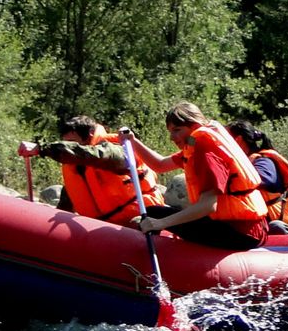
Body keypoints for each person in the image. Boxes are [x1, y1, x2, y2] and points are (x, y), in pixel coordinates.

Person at [122, 102, 270, 250]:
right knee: (154, 212)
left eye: (177, 130)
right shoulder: (195, 144)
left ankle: (150, 257)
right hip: (237, 226)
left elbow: (208, 206)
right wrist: (133, 141)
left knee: (155, 214)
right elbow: (160, 165)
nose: (171, 137)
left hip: (242, 233)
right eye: (170, 131)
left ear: (194, 126)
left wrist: (160, 223)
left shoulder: (205, 151)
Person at [18, 116, 164, 225]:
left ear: (89, 136)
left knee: (136, 223)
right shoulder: (76, 167)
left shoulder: (116, 150)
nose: (68, 147)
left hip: (144, 216)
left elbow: (94, 155)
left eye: (72, 143)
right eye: (65, 142)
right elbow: (69, 200)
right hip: (103, 227)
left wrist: (41, 149)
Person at [228, 119, 288, 233]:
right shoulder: (248, 161)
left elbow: (267, 180)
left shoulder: (263, 161)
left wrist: (229, 179)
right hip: (261, 223)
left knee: (276, 227)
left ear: (238, 140)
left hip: (279, 225)